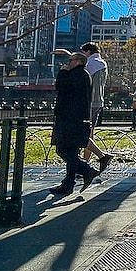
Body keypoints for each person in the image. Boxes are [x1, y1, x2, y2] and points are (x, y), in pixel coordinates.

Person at [49, 51, 100, 196]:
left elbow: (60, 87)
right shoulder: (84, 75)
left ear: (78, 61)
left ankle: (87, 170)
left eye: (70, 60)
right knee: (72, 151)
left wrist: (62, 72)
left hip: (69, 119)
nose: (68, 63)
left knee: (63, 149)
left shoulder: (74, 75)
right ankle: (68, 183)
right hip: (77, 118)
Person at [79, 42, 113, 173]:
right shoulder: (102, 63)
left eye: (83, 53)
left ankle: (91, 161)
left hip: (89, 102)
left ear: (88, 52)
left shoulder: (91, 64)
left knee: (85, 133)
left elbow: (81, 79)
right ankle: (86, 163)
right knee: (90, 132)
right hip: (98, 101)